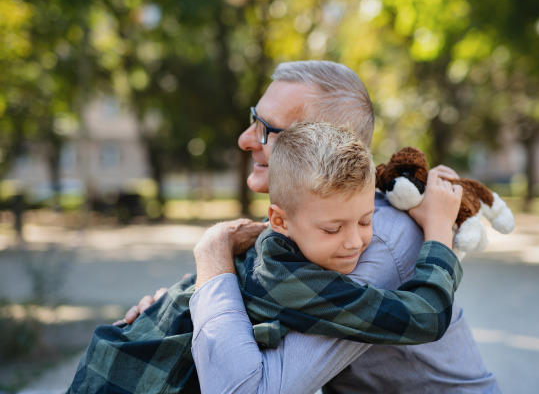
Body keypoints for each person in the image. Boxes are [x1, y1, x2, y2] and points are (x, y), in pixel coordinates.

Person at [128, 60, 501, 393]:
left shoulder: (373, 242)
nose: (245, 140)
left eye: (266, 129)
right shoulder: (304, 225)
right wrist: (181, 310)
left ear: (323, 146)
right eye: (253, 119)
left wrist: (212, 254)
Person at [230, 120, 462, 349]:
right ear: (279, 221)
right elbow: (427, 317)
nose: (354, 242)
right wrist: (439, 225)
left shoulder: (289, 237)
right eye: (332, 229)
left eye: (365, 221)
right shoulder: (281, 278)